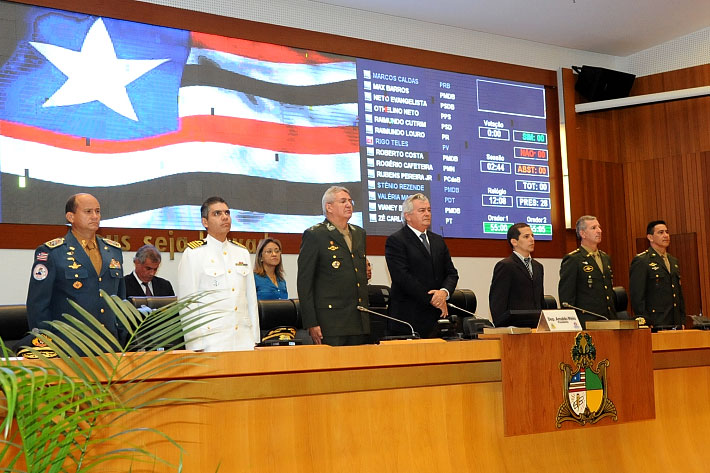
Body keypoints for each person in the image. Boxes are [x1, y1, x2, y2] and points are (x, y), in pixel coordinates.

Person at [26, 193, 126, 352]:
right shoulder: (52, 253)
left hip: (110, 345)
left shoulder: (113, 251)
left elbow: (120, 299)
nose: (95, 216)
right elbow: (38, 306)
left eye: (98, 211)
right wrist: (49, 345)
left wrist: (123, 336)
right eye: (88, 212)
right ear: (70, 217)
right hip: (69, 348)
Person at [177, 196, 259, 351]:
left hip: (243, 341)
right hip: (211, 343)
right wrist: (195, 345)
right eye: (217, 213)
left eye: (227, 213)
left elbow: (251, 299)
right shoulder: (193, 254)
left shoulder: (241, 252)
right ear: (205, 222)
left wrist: (254, 338)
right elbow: (188, 304)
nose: (224, 217)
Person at [297, 186, 369, 346]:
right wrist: (311, 322)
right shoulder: (315, 234)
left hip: (359, 320)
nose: (349, 205)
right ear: (329, 207)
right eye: (343, 201)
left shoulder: (359, 233)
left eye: (350, 201)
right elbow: (304, 283)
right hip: (331, 322)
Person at [385, 193, 458, 338]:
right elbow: (402, 277)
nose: (427, 214)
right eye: (422, 210)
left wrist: (443, 293)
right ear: (407, 216)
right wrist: (432, 298)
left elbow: (451, 273)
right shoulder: (396, 240)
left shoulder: (437, 240)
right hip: (408, 318)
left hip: (436, 317)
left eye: (429, 210)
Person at [558, 215, 617, 327]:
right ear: (583, 234)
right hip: (587, 322)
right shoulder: (574, 259)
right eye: (593, 228)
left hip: (608, 320)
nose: (599, 231)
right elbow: (567, 298)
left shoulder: (605, 258)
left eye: (599, 227)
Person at [629, 220, 685, 327]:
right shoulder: (642, 261)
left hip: (675, 321)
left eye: (667, 232)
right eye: (660, 232)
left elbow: (678, 293)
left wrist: (682, 320)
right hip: (655, 322)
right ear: (650, 237)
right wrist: (645, 322)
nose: (666, 235)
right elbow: (637, 297)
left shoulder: (673, 261)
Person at [489, 223, 545, 327]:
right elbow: (497, 302)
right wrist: (502, 327)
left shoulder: (538, 267)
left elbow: (540, 299)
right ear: (514, 242)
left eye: (532, 236)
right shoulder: (506, 266)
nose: (532, 239)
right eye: (526, 237)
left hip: (536, 326)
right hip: (514, 327)